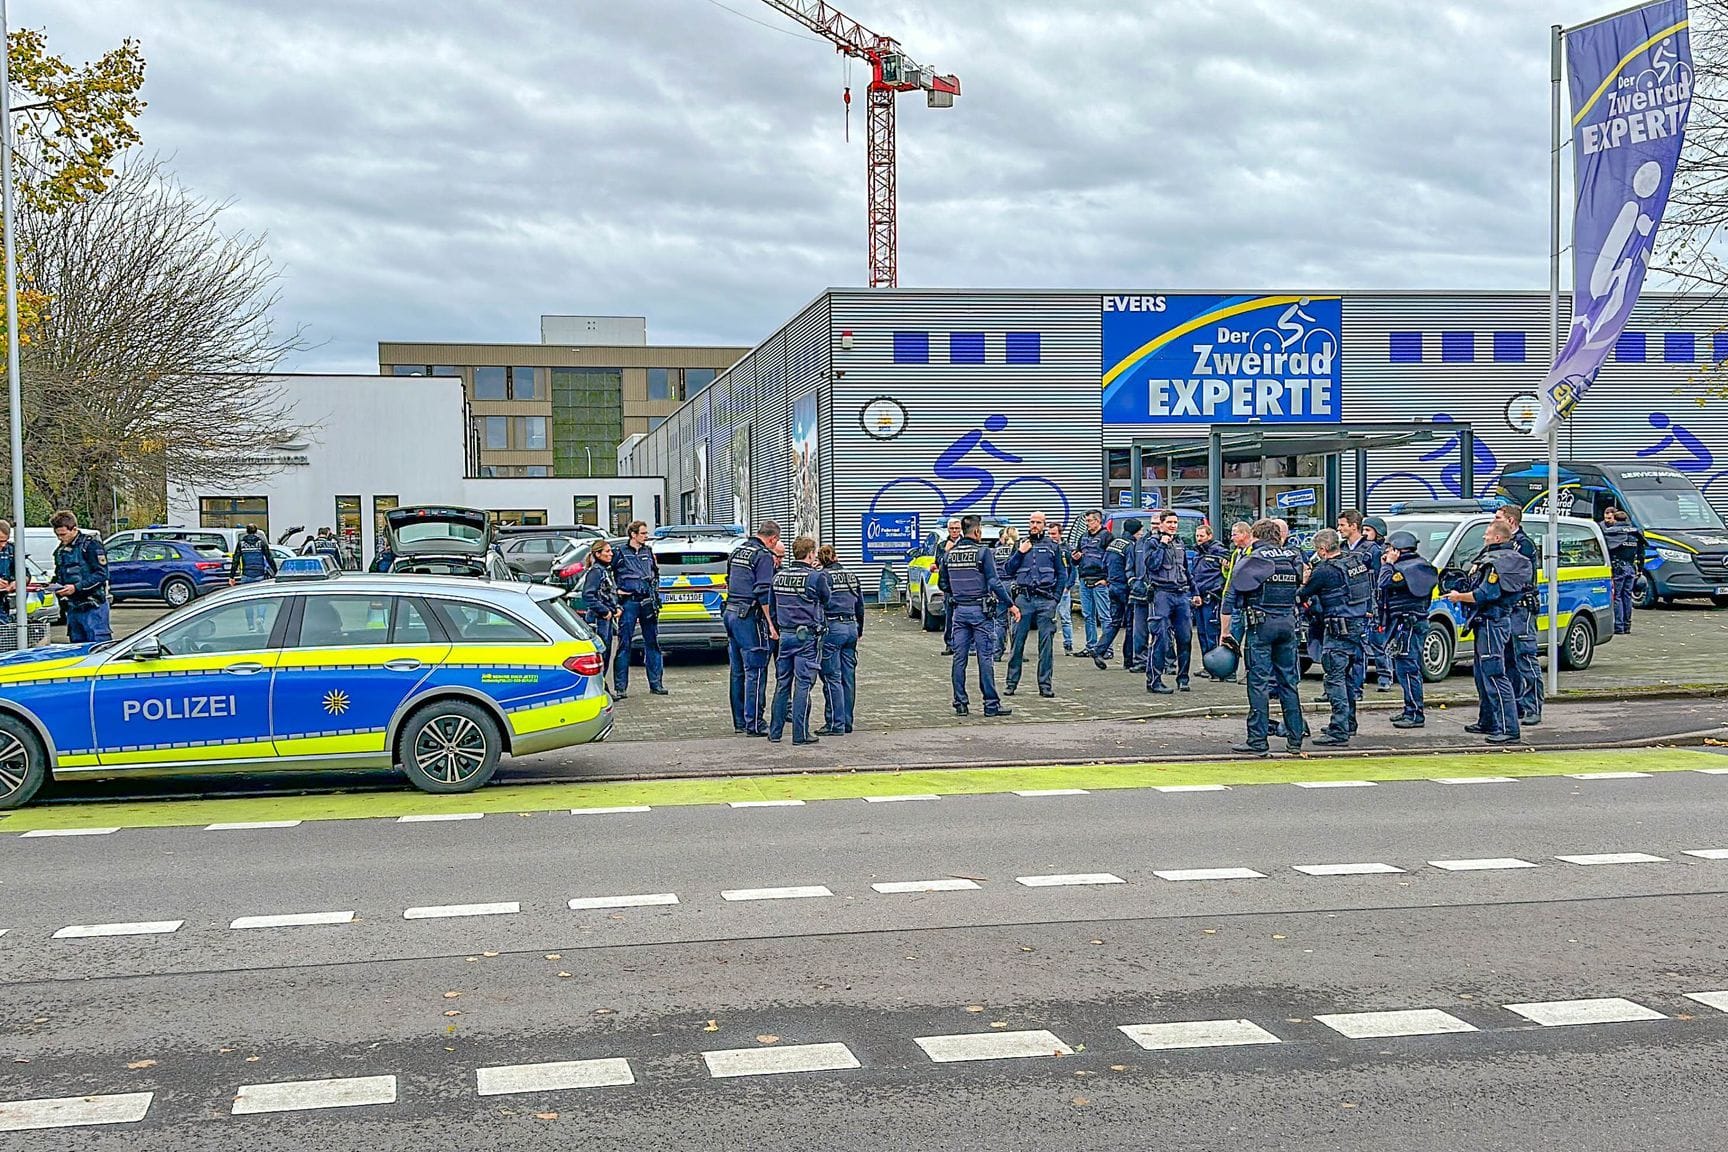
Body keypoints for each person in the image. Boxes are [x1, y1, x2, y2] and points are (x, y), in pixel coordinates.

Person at [1220, 519, 1306, 756]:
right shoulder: (1292, 557)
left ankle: (1258, 739)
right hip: (1288, 624)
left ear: (1255, 536)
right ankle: (1295, 739)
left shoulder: (1252, 558)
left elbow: (1230, 599)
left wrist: (1225, 633)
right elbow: (1303, 581)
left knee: (1258, 682)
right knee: (1289, 682)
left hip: (1261, 625)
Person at [1443, 520, 1533, 744]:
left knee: (1494, 674)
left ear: (1498, 538)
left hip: (1492, 622)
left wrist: (1458, 597)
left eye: (1487, 534)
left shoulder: (1496, 563)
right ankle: (1488, 721)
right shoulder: (1508, 559)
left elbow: (1485, 594)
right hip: (1491, 621)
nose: (1484, 537)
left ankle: (1509, 728)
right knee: (1482, 675)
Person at [1299, 529, 1373, 746]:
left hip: (1337, 630)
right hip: (1358, 628)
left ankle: (1338, 729)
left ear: (1322, 550)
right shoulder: (1355, 563)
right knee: (1349, 678)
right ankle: (1349, 723)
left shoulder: (1324, 570)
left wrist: (1304, 580)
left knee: (1335, 679)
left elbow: (1303, 594)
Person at [941, 514, 1018, 717]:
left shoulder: (949, 554)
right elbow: (994, 582)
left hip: (959, 611)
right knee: (985, 658)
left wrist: (958, 592)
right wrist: (1010, 604)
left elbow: (943, 584)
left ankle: (960, 703)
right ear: (976, 531)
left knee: (959, 658)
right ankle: (991, 705)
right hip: (980, 611)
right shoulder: (982, 553)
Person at [767, 535, 831, 745]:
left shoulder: (778, 577)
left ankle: (775, 733)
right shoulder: (815, 577)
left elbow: (773, 606)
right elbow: (826, 599)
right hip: (807, 637)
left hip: (785, 635)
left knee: (782, 683)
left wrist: (779, 627)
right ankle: (800, 734)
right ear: (811, 554)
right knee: (803, 684)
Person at [1379, 530, 1439, 729]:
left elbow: (1384, 583)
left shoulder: (1407, 569)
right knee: (1404, 667)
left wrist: (1387, 565)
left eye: (1390, 548)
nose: (1386, 551)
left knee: (1408, 668)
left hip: (1409, 624)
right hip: (1408, 623)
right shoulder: (1420, 565)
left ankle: (1415, 713)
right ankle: (1409, 709)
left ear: (1397, 549)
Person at [725, 520, 780, 736]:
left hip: (730, 612)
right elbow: (763, 592)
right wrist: (770, 623)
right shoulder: (763, 555)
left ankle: (740, 721)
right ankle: (755, 723)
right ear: (773, 539)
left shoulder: (737, 551)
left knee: (737, 671)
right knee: (755, 670)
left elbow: (729, 580)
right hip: (749, 616)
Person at [1003, 510, 1065, 698]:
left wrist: (1055, 600)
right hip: (1024, 599)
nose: (1034, 525)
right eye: (1032, 522)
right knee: (1017, 643)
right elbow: (1008, 569)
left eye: (1038, 522)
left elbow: (1062, 574)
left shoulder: (1053, 547)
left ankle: (1045, 685)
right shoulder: (1021, 545)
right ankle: (1011, 683)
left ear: (1044, 525)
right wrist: (1020, 553)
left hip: (1046, 600)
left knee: (1046, 645)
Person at [1494, 504, 1543, 726]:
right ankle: (1515, 706)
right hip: (1507, 608)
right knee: (1508, 659)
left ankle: (1532, 707)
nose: (1494, 521)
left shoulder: (1523, 545)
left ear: (1511, 521)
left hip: (1521, 609)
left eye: (1498, 518)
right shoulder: (1503, 544)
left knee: (1525, 657)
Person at [612, 520, 668, 699]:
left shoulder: (648, 551)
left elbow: (655, 573)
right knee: (624, 644)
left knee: (652, 642)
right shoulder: (620, 553)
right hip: (629, 602)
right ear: (633, 534)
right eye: (643, 533)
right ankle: (621, 687)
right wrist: (616, 592)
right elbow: (607, 574)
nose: (646, 536)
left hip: (647, 601)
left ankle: (656, 684)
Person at [816, 543, 864, 736]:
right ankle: (847, 721)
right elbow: (860, 604)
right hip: (851, 626)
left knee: (831, 677)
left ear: (820, 560)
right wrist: (859, 629)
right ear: (836, 556)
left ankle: (835, 723)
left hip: (832, 627)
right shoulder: (851, 575)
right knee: (848, 677)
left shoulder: (822, 577)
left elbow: (818, 604)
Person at [1145, 510, 1193, 694]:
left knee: (1185, 637)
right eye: (1170, 522)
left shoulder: (1180, 543)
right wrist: (1162, 546)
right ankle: (1154, 681)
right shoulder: (1152, 542)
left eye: (1175, 522)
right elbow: (1152, 566)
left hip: (1181, 594)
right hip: (1161, 593)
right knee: (1160, 638)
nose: (1173, 525)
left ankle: (1183, 678)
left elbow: (1186, 570)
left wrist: (1194, 591)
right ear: (1161, 524)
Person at [50, 510, 111, 644]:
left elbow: (102, 574)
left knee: (98, 644)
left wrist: (76, 588)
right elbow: (60, 574)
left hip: (93, 605)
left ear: (74, 529)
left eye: (63, 534)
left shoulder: (90, 546)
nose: (60, 538)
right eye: (58, 535)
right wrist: (52, 586)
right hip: (73, 606)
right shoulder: (60, 551)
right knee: (77, 646)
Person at [1353, 515, 1393, 692]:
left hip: (1377, 603)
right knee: (1361, 645)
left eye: (1368, 530)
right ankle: (1359, 680)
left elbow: (1380, 579)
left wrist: (1377, 604)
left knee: (1378, 643)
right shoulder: (1359, 549)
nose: (1364, 533)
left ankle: (1384, 677)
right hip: (1363, 602)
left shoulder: (1377, 552)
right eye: (1363, 530)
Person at [1092, 519, 1136, 670]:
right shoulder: (1130, 546)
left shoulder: (1114, 543)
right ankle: (1129, 659)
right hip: (1124, 588)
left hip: (1112, 587)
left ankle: (1098, 650)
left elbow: (1104, 563)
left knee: (1115, 622)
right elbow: (1130, 567)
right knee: (1131, 624)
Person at [1071, 510, 1113, 657]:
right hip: (1084, 579)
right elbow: (1076, 559)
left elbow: (1112, 560)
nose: (1087, 524)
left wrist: (1106, 579)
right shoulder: (1083, 537)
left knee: (1104, 616)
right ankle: (1091, 647)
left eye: (1089, 521)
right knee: (1088, 615)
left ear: (1098, 521)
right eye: (1086, 521)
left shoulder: (1107, 537)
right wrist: (1075, 557)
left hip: (1100, 581)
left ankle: (1107, 649)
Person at [1189, 522, 1229, 667]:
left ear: (1210, 536)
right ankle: (1207, 665)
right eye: (1197, 536)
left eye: (1202, 536)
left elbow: (1229, 564)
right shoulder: (1198, 553)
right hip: (1199, 597)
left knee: (1212, 634)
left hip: (1211, 597)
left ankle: (1215, 666)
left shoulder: (1217, 550)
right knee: (1201, 634)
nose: (1199, 539)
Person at [1602, 506, 1646, 635]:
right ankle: (1627, 625)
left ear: (1615, 519)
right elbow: (1641, 554)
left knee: (1617, 597)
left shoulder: (1612, 532)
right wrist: (1640, 570)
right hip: (1631, 568)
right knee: (1627, 596)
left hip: (1618, 568)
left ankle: (1618, 626)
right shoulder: (1635, 533)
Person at [582, 539, 621, 675]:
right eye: (607, 551)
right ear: (598, 554)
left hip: (607, 618)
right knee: (601, 653)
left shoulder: (605, 570)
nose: (611, 554)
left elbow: (608, 593)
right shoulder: (595, 572)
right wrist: (604, 611)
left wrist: (616, 607)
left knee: (607, 652)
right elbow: (588, 595)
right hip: (598, 619)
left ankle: (603, 684)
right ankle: (600, 685)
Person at [229, 523, 278, 631]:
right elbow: (269, 558)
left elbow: (236, 559)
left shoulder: (241, 543)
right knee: (262, 598)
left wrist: (232, 576)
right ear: (256, 531)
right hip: (259, 574)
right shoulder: (261, 542)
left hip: (246, 574)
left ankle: (250, 626)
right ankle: (260, 618)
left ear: (246, 531)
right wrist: (276, 572)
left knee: (248, 601)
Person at [1124, 519, 1153, 673]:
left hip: (1160, 594)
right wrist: (1133, 582)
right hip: (1139, 593)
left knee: (1163, 630)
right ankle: (1140, 660)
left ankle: (1167, 662)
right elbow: (1129, 566)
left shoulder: (1172, 544)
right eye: (1153, 523)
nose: (1155, 526)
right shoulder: (1137, 544)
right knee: (1139, 630)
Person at [933, 517, 962, 656]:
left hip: (965, 586)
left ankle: (969, 645)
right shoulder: (942, 545)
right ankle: (949, 644)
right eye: (952, 529)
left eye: (957, 528)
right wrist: (946, 552)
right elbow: (938, 563)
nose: (955, 531)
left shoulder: (965, 543)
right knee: (949, 616)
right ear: (948, 530)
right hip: (950, 586)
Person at [1050, 519, 1077, 655]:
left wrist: (1068, 586)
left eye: (1054, 534)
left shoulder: (1067, 549)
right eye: (1050, 534)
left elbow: (1073, 570)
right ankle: (1048, 645)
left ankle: (1068, 645)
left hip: (1064, 590)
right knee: (1050, 619)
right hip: (1050, 589)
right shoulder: (1048, 548)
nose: (1051, 536)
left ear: (1060, 534)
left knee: (1065, 618)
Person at [991, 526, 1019, 640]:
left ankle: (997, 653)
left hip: (999, 586)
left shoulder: (994, 551)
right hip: (1014, 585)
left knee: (1000, 620)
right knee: (1016, 618)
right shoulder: (1018, 551)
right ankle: (1016, 652)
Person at [0, 519, 15, 628]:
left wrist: (17, 582)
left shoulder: (11, 550)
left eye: (5, 540)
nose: (3, 545)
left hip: (3, 602)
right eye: (0, 541)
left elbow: (24, 572)